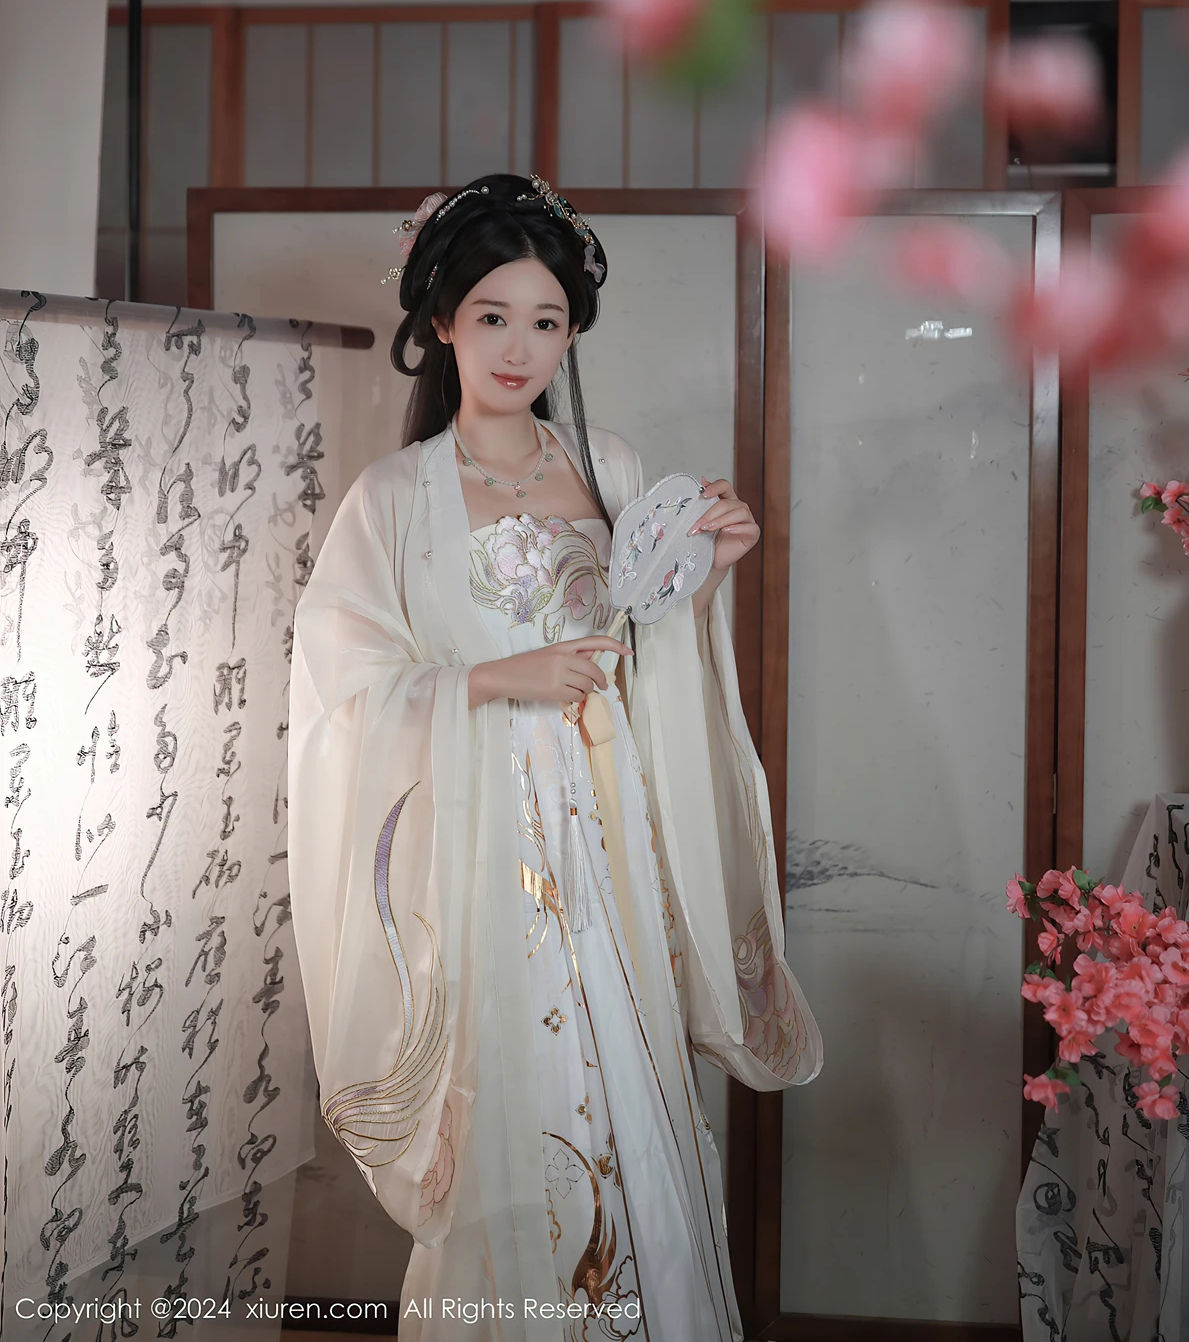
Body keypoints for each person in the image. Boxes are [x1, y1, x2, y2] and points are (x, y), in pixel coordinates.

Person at [287, 173, 821, 1342]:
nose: (518, 347)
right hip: (479, 843)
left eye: (545, 320)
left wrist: (703, 579)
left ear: (572, 330)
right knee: (513, 1084)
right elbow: (342, 698)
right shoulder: (393, 499)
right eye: (492, 316)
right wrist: (489, 681)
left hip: (605, 833)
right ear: (441, 322)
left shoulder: (611, 468)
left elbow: (645, 647)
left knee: (626, 1072)